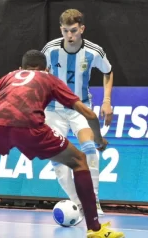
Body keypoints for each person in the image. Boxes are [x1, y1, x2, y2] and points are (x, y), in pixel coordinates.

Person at [0, 50, 124, 238]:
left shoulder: (7, 77)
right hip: (29, 127)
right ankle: (95, 230)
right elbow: (90, 114)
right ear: (46, 69)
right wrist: (99, 140)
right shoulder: (48, 78)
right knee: (79, 160)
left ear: (21, 69)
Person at [41, 9, 114, 220]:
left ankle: (94, 201)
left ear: (82, 29)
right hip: (54, 110)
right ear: (60, 30)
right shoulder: (50, 49)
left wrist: (107, 101)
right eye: (65, 31)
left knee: (89, 147)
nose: (70, 36)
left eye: (73, 30)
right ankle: (79, 203)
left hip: (80, 108)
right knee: (56, 156)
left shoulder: (94, 51)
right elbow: (40, 73)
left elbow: (108, 72)